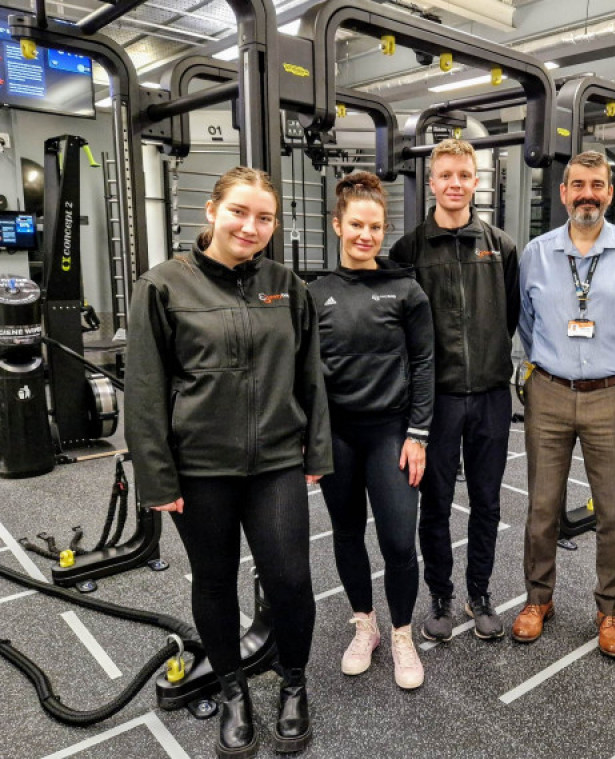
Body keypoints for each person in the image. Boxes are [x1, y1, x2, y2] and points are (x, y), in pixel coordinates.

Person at [125, 167, 333, 758]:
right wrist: (156, 478)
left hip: (274, 464)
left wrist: (315, 450)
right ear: (213, 211)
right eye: (239, 211)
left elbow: (309, 374)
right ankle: (234, 690)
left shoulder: (285, 285)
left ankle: (293, 685)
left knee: (291, 582)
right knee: (214, 584)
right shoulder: (163, 286)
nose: (251, 226)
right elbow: (143, 389)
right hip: (199, 468)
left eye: (264, 217)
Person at [515, 150, 615, 658]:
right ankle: (538, 599)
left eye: (598, 185)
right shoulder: (537, 252)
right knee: (542, 507)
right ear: (563, 193)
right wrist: (552, 362)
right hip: (549, 394)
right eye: (578, 184)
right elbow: (525, 320)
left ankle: (610, 610)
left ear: (609, 192)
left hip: (612, 395)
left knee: (613, 511)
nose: (588, 193)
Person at [389, 138, 519, 642]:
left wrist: (485, 359)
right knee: (436, 503)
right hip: (435, 402)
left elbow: (508, 317)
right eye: (445, 175)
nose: (455, 184)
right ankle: (440, 595)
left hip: (489, 396)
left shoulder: (501, 246)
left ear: (475, 180)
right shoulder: (408, 251)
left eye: (464, 174)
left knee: (487, 501)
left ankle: (479, 592)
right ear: (433, 181)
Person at [310, 172, 434, 689]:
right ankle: (366, 625)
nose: (366, 235)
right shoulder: (314, 294)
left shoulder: (405, 290)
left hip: (391, 435)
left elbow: (426, 364)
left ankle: (402, 632)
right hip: (338, 437)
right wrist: (311, 442)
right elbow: (306, 375)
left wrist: (418, 433)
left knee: (399, 542)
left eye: (376, 227)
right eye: (356, 225)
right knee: (346, 533)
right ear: (338, 224)